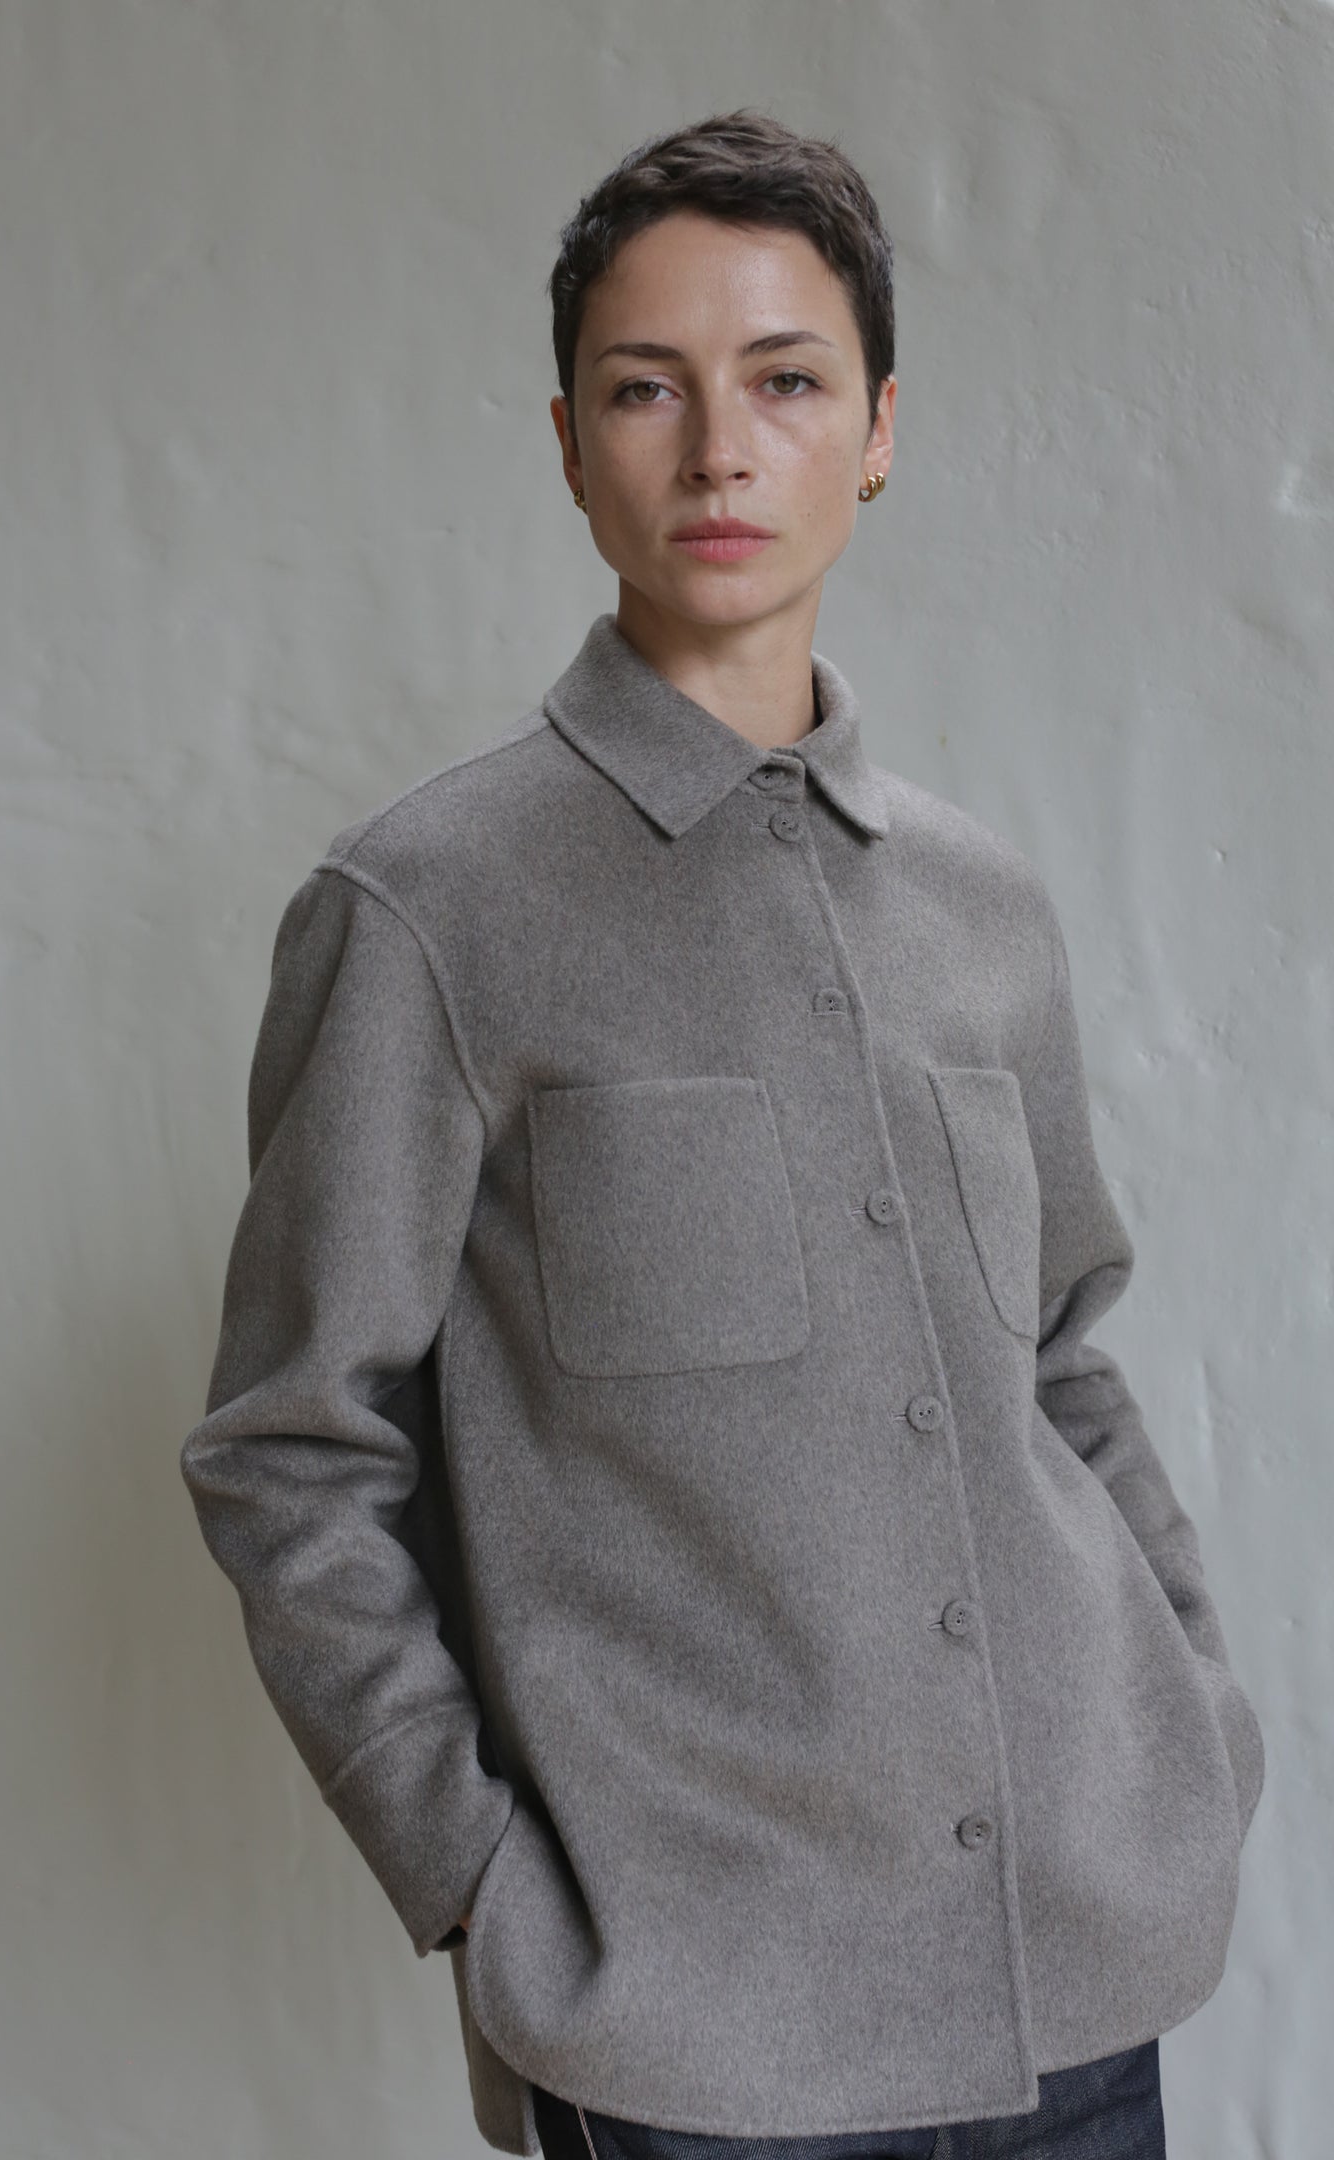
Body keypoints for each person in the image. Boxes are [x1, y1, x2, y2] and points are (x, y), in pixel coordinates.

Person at [179, 109, 1264, 2160]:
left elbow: (1061, 1364)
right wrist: (490, 1898)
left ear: (877, 433)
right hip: (691, 2055)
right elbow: (289, 1455)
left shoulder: (986, 907)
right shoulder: (427, 909)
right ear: (572, 440)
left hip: (1079, 1986)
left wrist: (1187, 1727)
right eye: (644, 389)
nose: (717, 448)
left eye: (784, 381)